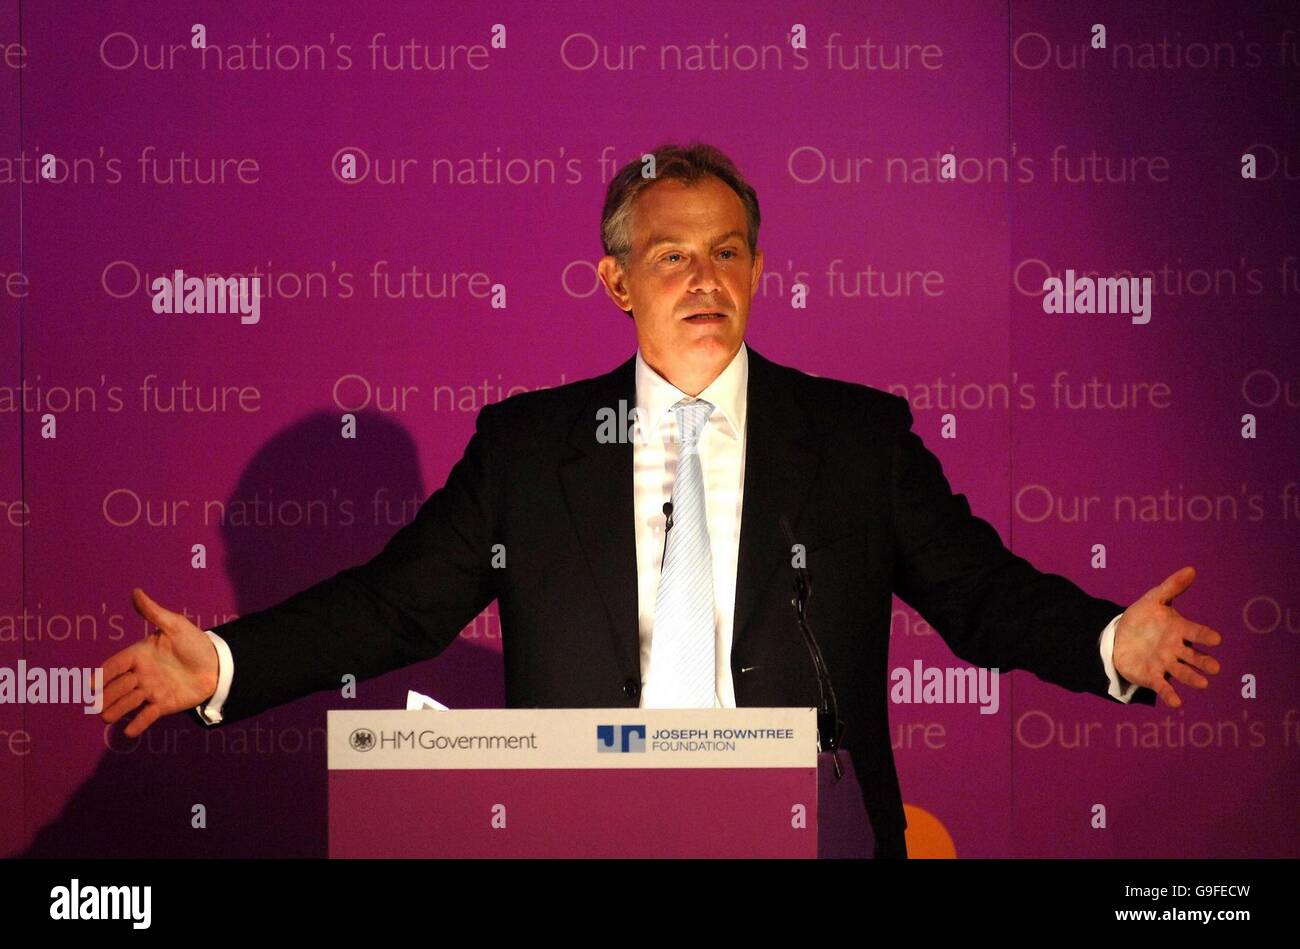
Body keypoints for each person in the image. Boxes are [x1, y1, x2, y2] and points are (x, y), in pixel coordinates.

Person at [99, 142, 1223, 858]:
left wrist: (1111, 637)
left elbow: (979, 593)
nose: (703, 278)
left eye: (727, 253)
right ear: (615, 279)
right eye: (673, 255)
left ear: (758, 272)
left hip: (811, 833)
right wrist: (229, 662)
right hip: (591, 837)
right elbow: (402, 605)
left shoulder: (852, 437)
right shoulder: (530, 446)